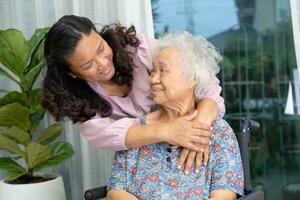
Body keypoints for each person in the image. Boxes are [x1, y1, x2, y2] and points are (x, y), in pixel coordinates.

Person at [41, 15, 225, 173]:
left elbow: (201, 76)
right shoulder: (78, 102)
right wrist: (168, 130)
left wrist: (199, 129)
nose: (103, 64)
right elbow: (108, 136)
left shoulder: (139, 49)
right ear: (73, 73)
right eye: (88, 65)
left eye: (101, 49)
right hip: (146, 161)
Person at [106, 32, 243, 200]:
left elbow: (224, 195)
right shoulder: (138, 131)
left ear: (192, 78)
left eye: (162, 70)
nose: (153, 79)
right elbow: (115, 190)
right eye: (152, 71)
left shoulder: (219, 132)